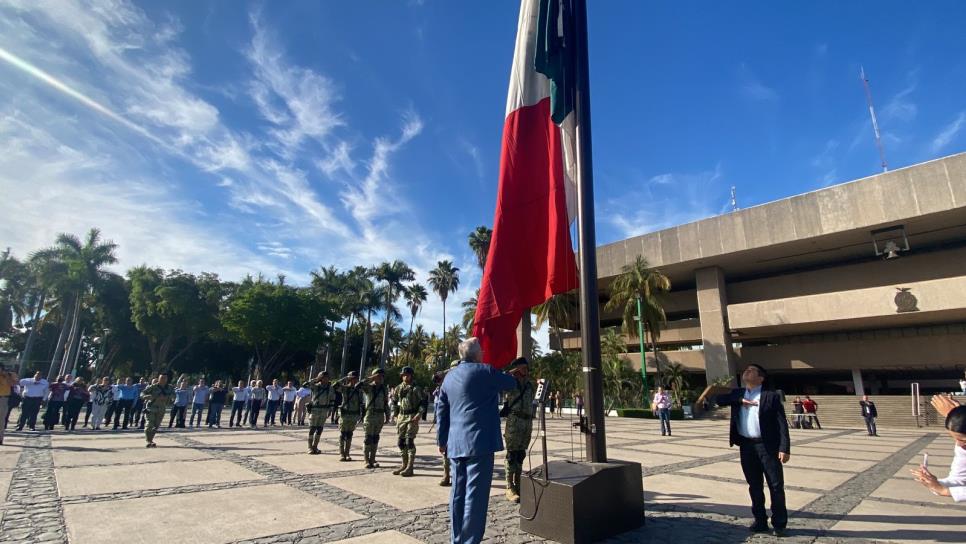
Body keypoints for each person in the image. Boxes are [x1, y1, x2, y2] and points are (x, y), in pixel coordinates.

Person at [437, 337, 520, 543]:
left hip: (455, 444)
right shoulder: (486, 371)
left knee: (457, 493)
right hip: (479, 443)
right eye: (481, 350)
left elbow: (441, 411)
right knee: (475, 495)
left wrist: (441, 440)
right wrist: (511, 373)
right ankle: (470, 540)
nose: (484, 353)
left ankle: (457, 539)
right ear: (476, 354)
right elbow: (512, 384)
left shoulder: (448, 378)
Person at [716, 364, 791, 536]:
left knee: (776, 485)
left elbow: (782, 424)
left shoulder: (770, 396)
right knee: (754, 486)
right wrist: (739, 401)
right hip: (746, 446)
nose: (747, 371)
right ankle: (760, 520)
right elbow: (718, 400)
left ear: (761, 378)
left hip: (768, 446)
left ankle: (779, 523)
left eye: (752, 370)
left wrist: (784, 448)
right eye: (746, 370)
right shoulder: (738, 394)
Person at [911, 395, 965, 501]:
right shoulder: (963, 448)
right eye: (954, 439)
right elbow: (959, 478)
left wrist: (943, 490)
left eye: (963, 440)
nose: (958, 444)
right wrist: (934, 483)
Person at [502, 357, 534, 503]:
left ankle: (519, 484)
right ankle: (509, 487)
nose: (526, 371)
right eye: (523, 368)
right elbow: (499, 380)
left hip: (527, 422)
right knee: (512, 454)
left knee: (521, 454)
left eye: (526, 368)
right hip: (514, 421)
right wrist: (511, 372)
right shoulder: (510, 383)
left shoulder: (529, 386)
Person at [392, 366, 426, 477]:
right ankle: (404, 464)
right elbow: (395, 402)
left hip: (412, 417)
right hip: (401, 416)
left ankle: (410, 467)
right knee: (400, 442)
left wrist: (419, 415)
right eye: (403, 375)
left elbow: (423, 403)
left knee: (409, 441)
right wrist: (395, 414)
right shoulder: (398, 388)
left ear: (411, 376)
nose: (404, 377)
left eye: (406, 375)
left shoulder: (416, 388)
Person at [357, 368, 389, 468]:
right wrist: (371, 377)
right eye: (378, 376)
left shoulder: (384, 389)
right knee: (368, 438)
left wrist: (387, 415)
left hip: (379, 416)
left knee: (376, 438)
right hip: (370, 415)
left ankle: (373, 459)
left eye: (382, 376)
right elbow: (359, 385)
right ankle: (366, 460)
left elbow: (385, 403)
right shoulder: (369, 387)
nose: (381, 378)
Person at [303, 371, 336, 454]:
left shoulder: (330, 387)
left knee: (320, 429)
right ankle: (310, 447)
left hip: (324, 410)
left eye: (327, 377)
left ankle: (315, 446)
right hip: (315, 409)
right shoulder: (315, 386)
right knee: (312, 428)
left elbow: (332, 398)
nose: (326, 379)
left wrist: (330, 409)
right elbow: (305, 384)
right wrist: (316, 379)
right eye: (324, 377)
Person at [333, 372, 363, 461]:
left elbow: (360, 403)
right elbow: (335, 386)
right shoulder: (345, 388)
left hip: (354, 415)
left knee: (350, 434)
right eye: (352, 378)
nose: (355, 380)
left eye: (356, 378)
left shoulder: (359, 390)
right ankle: (342, 453)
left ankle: (347, 453)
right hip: (345, 414)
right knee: (343, 434)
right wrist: (345, 378)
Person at [141, 373, 175, 447]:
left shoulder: (169, 387)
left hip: (161, 409)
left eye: (165, 378)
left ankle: (151, 440)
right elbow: (142, 393)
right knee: (149, 424)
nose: (163, 380)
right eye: (161, 378)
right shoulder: (153, 387)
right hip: (151, 407)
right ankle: (148, 441)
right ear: (159, 378)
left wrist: (167, 397)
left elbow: (173, 395)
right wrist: (148, 397)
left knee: (155, 426)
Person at [0, 365, 18, 443]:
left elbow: (13, 384)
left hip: (3, 399)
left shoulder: (10, 375)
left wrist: (6, 376)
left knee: (1, 420)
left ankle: (0, 439)